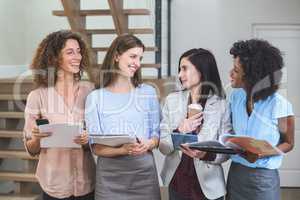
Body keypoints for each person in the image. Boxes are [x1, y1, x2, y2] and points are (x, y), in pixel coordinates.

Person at [85, 34, 161, 200]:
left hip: (144, 174)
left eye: (140, 58)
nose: (137, 63)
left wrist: (149, 143)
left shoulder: (148, 92)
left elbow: (157, 135)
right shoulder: (95, 98)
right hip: (109, 178)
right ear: (116, 55)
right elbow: (96, 147)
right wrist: (122, 150)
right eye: (133, 56)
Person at [23, 30, 96, 200]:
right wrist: (37, 138)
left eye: (79, 51)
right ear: (54, 58)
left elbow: (99, 136)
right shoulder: (37, 96)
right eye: (70, 52)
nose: (77, 56)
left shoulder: (90, 91)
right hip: (54, 185)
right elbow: (31, 148)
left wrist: (88, 140)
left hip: (86, 183)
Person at [226, 39, 295, 200]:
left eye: (236, 70)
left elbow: (288, 143)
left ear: (252, 76)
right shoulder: (235, 96)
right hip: (236, 175)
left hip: (263, 180)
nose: (230, 73)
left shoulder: (279, 105)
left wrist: (261, 154)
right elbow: (229, 132)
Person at [159, 48, 231, 200]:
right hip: (178, 180)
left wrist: (206, 154)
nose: (179, 75)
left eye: (184, 68)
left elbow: (227, 149)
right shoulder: (172, 101)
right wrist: (179, 130)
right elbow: (163, 148)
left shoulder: (221, 105)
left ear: (202, 70)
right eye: (180, 69)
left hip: (209, 185)